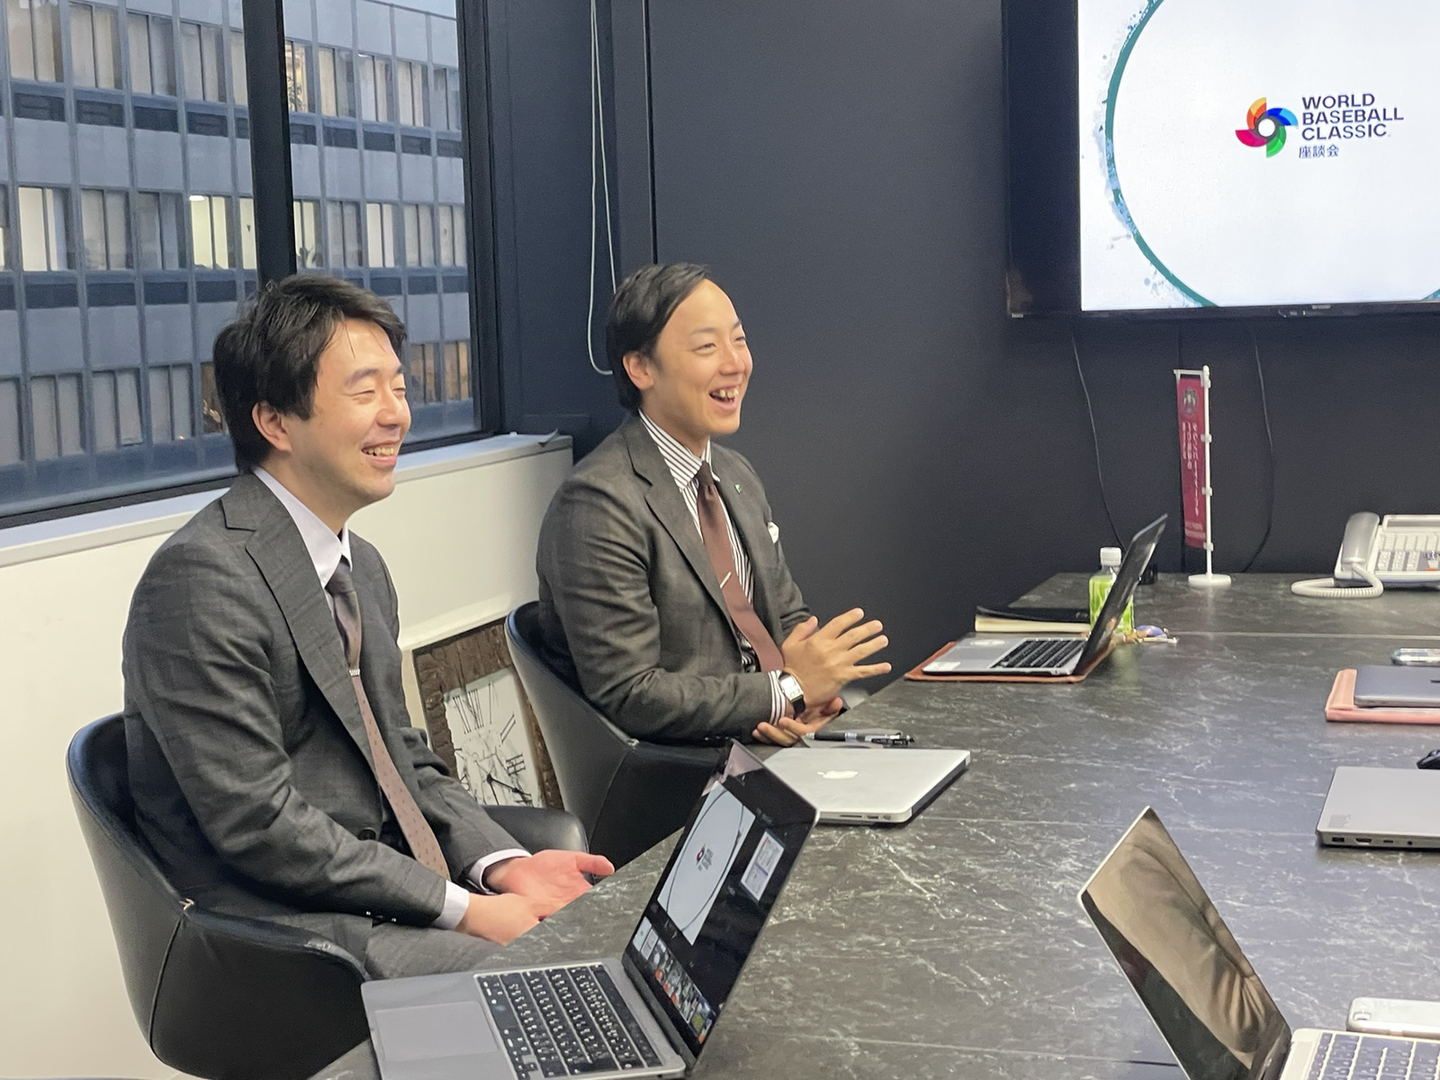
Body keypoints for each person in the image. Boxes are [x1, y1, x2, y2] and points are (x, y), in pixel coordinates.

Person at [122, 275, 612, 979]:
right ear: (275, 422)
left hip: (381, 881)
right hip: (280, 933)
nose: (397, 415)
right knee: (552, 974)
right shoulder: (200, 580)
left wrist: (503, 866)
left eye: (400, 387)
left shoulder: (363, 568)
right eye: (365, 391)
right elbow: (260, 824)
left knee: (600, 937)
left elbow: (401, 754)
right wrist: (466, 910)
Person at [535, 263, 889, 745]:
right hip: (685, 766)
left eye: (739, 340)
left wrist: (813, 698)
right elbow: (632, 694)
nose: (735, 363)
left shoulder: (735, 473)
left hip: (764, 735)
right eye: (707, 347)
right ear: (640, 368)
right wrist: (785, 691)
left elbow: (785, 620)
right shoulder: (598, 504)